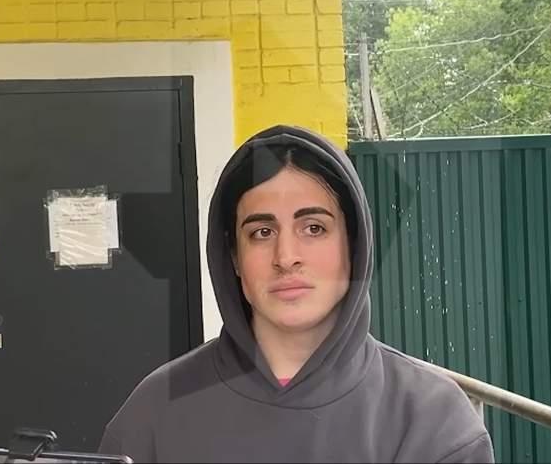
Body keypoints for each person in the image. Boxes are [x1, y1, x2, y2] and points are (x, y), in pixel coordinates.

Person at [98, 125, 494, 463]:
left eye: (314, 228)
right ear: (233, 256)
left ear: (354, 245)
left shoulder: (433, 422)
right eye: (262, 232)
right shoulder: (154, 414)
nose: (286, 257)